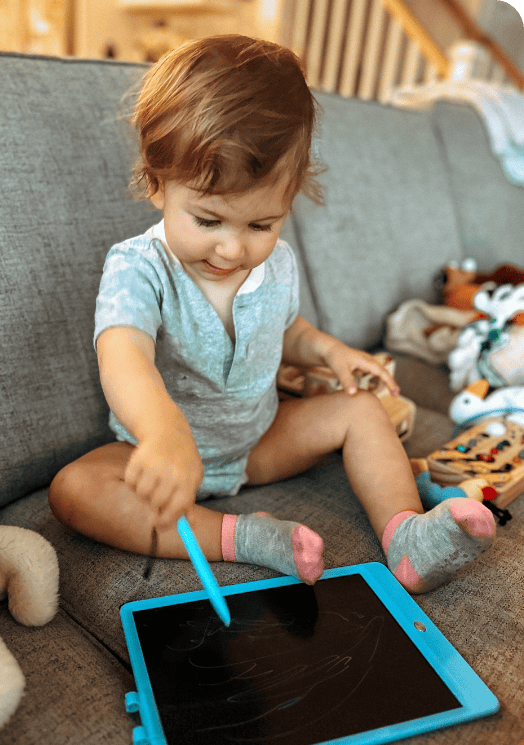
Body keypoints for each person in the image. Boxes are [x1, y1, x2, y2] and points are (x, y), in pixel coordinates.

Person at [48, 34, 496, 594]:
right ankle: (246, 538)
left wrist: (332, 351)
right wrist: (163, 433)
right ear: (158, 184)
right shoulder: (139, 267)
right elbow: (123, 354)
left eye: (261, 225)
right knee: (74, 489)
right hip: (154, 459)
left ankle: (406, 538)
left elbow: (287, 330)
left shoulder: (276, 264)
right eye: (209, 221)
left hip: (258, 445)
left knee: (361, 413)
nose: (233, 251)